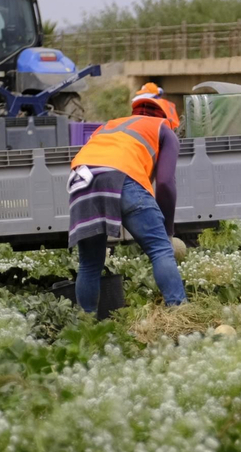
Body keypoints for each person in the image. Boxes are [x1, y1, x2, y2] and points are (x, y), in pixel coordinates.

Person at [67, 91, 185, 314]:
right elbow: (167, 184)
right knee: (160, 250)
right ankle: (179, 314)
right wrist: (168, 232)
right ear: (169, 119)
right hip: (121, 174)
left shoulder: (110, 126)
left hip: (80, 178)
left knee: (89, 263)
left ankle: (86, 327)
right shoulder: (164, 129)